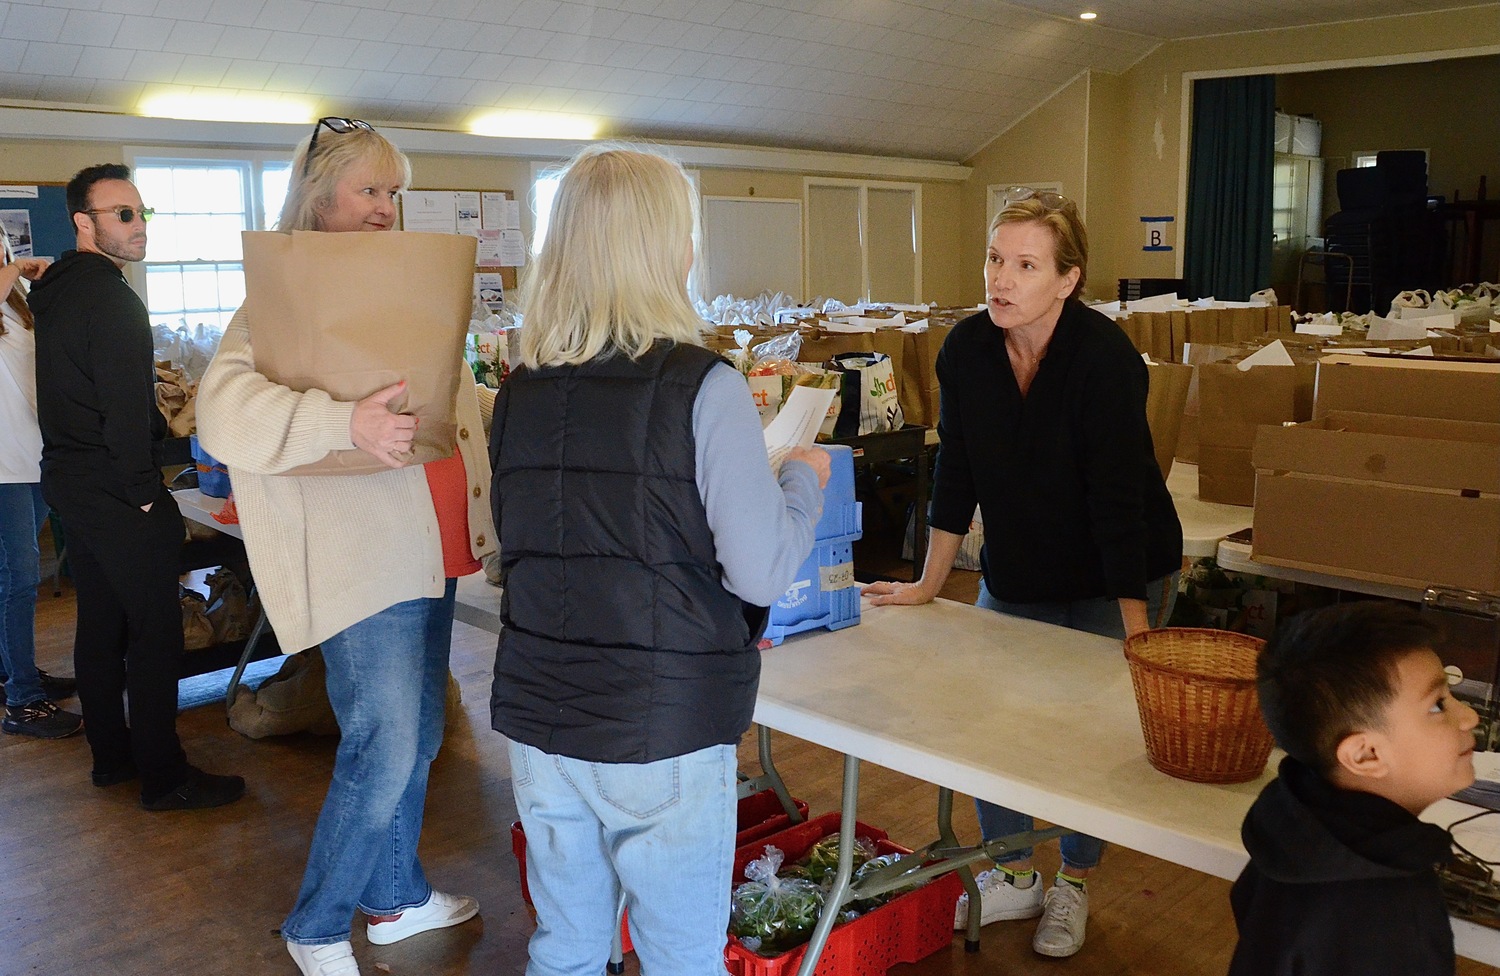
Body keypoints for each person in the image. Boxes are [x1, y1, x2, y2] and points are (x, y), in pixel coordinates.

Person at [488, 144, 829, 976]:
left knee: (566, 947)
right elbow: (761, 573)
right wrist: (803, 486)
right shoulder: (701, 386)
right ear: (666, 249)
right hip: (660, 724)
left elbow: (515, 551)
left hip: (541, 717)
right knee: (680, 957)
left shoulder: (517, 391)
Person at [196, 118, 492, 976]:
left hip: (431, 549)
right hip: (367, 560)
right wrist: (341, 422)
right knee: (385, 744)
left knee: (423, 732)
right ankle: (318, 923)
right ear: (319, 196)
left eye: (394, 193)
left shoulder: (406, 288)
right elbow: (222, 413)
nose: (384, 208)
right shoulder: (278, 299)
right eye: (370, 190)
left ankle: (394, 900)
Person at [863, 187, 1184, 958]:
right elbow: (957, 476)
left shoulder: (1104, 361)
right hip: (1022, 572)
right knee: (997, 730)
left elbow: (1118, 503)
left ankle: (1071, 880)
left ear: (1068, 280)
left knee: (1090, 743)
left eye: (1025, 264)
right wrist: (929, 583)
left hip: (1123, 572)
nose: (1000, 279)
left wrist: (1135, 632)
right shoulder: (968, 349)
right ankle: (1013, 872)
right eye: (995, 259)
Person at [29, 164, 244, 805]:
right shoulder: (115, 302)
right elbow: (123, 414)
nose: (137, 225)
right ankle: (164, 776)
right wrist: (148, 495)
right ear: (84, 223)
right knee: (156, 633)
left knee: (99, 625)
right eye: (122, 214)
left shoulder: (60, 291)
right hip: (117, 490)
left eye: (142, 212)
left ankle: (112, 759)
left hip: (69, 482)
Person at [1229, 601, 1475, 975]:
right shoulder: (1394, 917)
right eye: (1438, 706)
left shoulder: (1290, 825)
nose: (1469, 716)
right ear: (1365, 756)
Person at [0, 234, 82, 739]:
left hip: (31, 456)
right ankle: (23, 702)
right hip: (3, 464)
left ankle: (17, 675)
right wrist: (17, 269)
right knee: (21, 578)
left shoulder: (15, 304)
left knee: (11, 576)